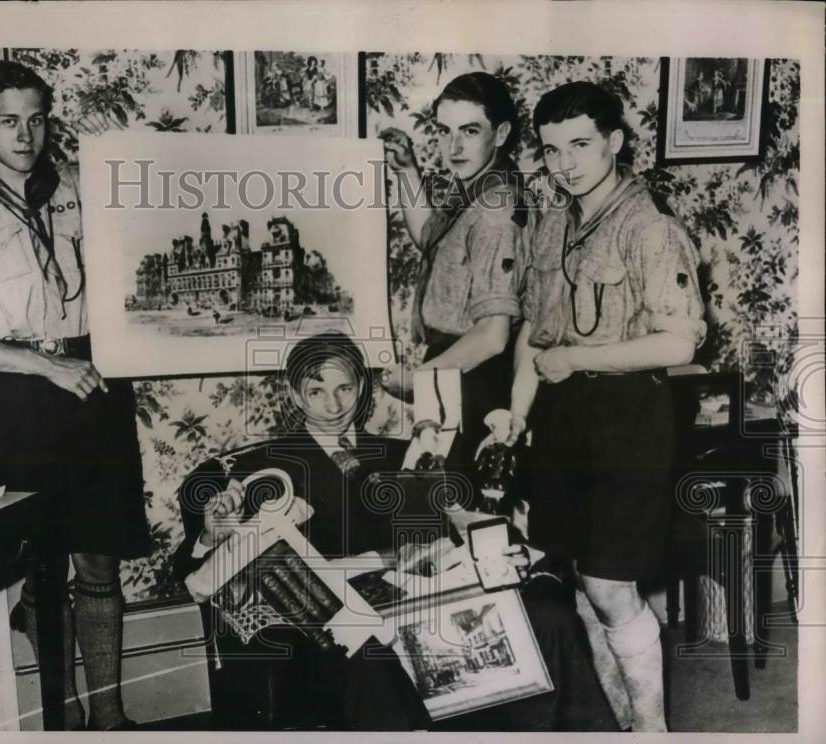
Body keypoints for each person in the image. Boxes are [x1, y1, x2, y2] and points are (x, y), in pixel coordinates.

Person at [0, 59, 151, 731]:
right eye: (8, 120)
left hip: (95, 388)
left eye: (37, 119)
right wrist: (41, 366)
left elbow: (132, 279)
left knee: (100, 562)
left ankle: (109, 715)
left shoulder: (83, 191)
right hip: (22, 400)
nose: (26, 134)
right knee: (46, 571)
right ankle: (64, 717)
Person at [498, 81, 706, 732]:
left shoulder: (651, 228)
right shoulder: (554, 221)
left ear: (615, 142)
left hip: (629, 422)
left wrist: (579, 361)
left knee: (613, 587)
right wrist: (514, 414)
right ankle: (617, 725)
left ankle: (652, 731)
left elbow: (680, 339)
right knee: (586, 585)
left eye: (581, 145)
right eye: (553, 149)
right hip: (563, 421)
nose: (565, 164)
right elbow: (535, 334)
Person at [171, 331, 432, 730]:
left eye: (345, 388)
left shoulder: (403, 455)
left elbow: (440, 538)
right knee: (371, 656)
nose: (334, 405)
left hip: (413, 599)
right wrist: (214, 535)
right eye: (317, 391)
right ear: (295, 395)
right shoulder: (263, 470)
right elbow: (194, 578)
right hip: (326, 629)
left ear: (361, 387)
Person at [381, 72, 530, 467]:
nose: (454, 146)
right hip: (454, 363)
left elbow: (493, 337)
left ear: (500, 134)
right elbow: (429, 237)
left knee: (460, 505)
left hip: (475, 371)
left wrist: (418, 378)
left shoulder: (495, 210)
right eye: (445, 132)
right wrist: (407, 171)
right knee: (441, 495)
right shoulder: (475, 185)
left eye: (469, 131)